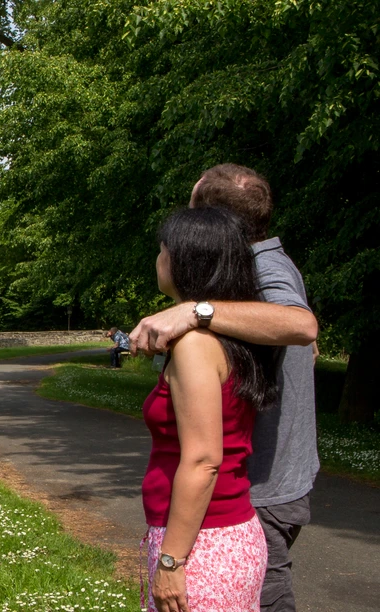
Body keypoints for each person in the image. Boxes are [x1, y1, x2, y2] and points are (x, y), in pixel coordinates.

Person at [131, 164, 318, 612]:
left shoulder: (264, 267)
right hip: (238, 506)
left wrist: (194, 311)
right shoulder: (245, 285)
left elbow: (303, 326)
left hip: (241, 505)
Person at [142, 207, 273, 612]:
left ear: (184, 261)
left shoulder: (195, 345)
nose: (158, 258)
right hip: (222, 537)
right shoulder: (227, 336)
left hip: (202, 546)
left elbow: (203, 460)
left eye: (162, 250)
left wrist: (170, 561)